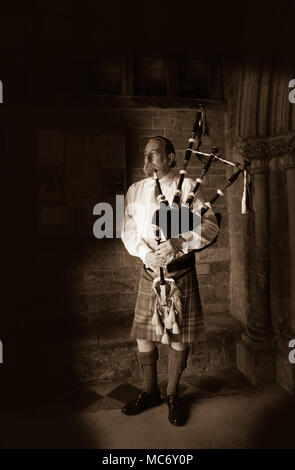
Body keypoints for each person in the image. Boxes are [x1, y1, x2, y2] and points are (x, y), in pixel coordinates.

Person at [121, 136, 219, 426]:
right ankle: (150, 392)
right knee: (144, 335)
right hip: (149, 271)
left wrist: (180, 241)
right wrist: (143, 253)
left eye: (154, 154)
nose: (147, 160)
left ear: (171, 158)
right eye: (145, 154)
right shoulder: (135, 191)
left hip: (180, 272)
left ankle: (173, 394)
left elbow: (211, 226)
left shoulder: (188, 187)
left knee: (178, 336)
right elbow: (128, 231)